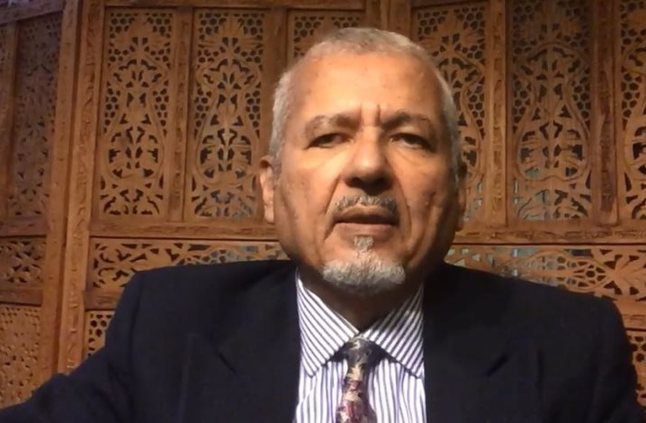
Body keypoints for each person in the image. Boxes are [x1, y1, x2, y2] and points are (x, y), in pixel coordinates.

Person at [0, 27, 642, 423]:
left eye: (410, 138)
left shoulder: (570, 349)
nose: (368, 167)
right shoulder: (169, 327)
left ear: (456, 189)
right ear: (270, 188)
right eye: (330, 136)